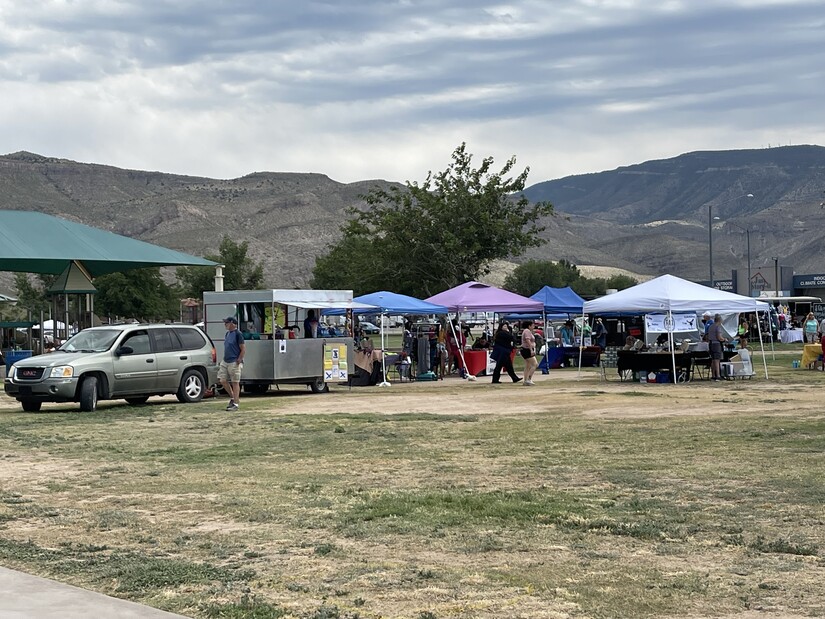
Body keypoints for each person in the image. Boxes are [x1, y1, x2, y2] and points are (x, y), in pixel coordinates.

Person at [219, 316, 245, 411]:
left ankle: (236, 404)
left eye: (227, 323)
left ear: (232, 324)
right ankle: (233, 397)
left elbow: (243, 348)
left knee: (235, 382)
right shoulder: (227, 334)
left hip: (234, 361)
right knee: (222, 380)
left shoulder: (238, 334)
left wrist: (239, 359)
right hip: (225, 360)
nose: (225, 324)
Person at [707, 314, 727, 381]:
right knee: (717, 360)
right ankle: (718, 375)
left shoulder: (710, 326)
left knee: (713, 360)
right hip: (716, 344)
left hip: (711, 343)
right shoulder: (717, 327)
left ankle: (713, 375)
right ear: (720, 320)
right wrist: (724, 339)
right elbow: (719, 337)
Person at [520, 319, 538, 386]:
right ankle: (529, 378)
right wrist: (531, 350)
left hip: (525, 349)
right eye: (532, 325)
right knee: (535, 364)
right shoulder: (527, 331)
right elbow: (528, 341)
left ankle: (525, 380)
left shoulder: (527, 331)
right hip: (527, 349)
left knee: (528, 365)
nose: (534, 326)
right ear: (529, 326)